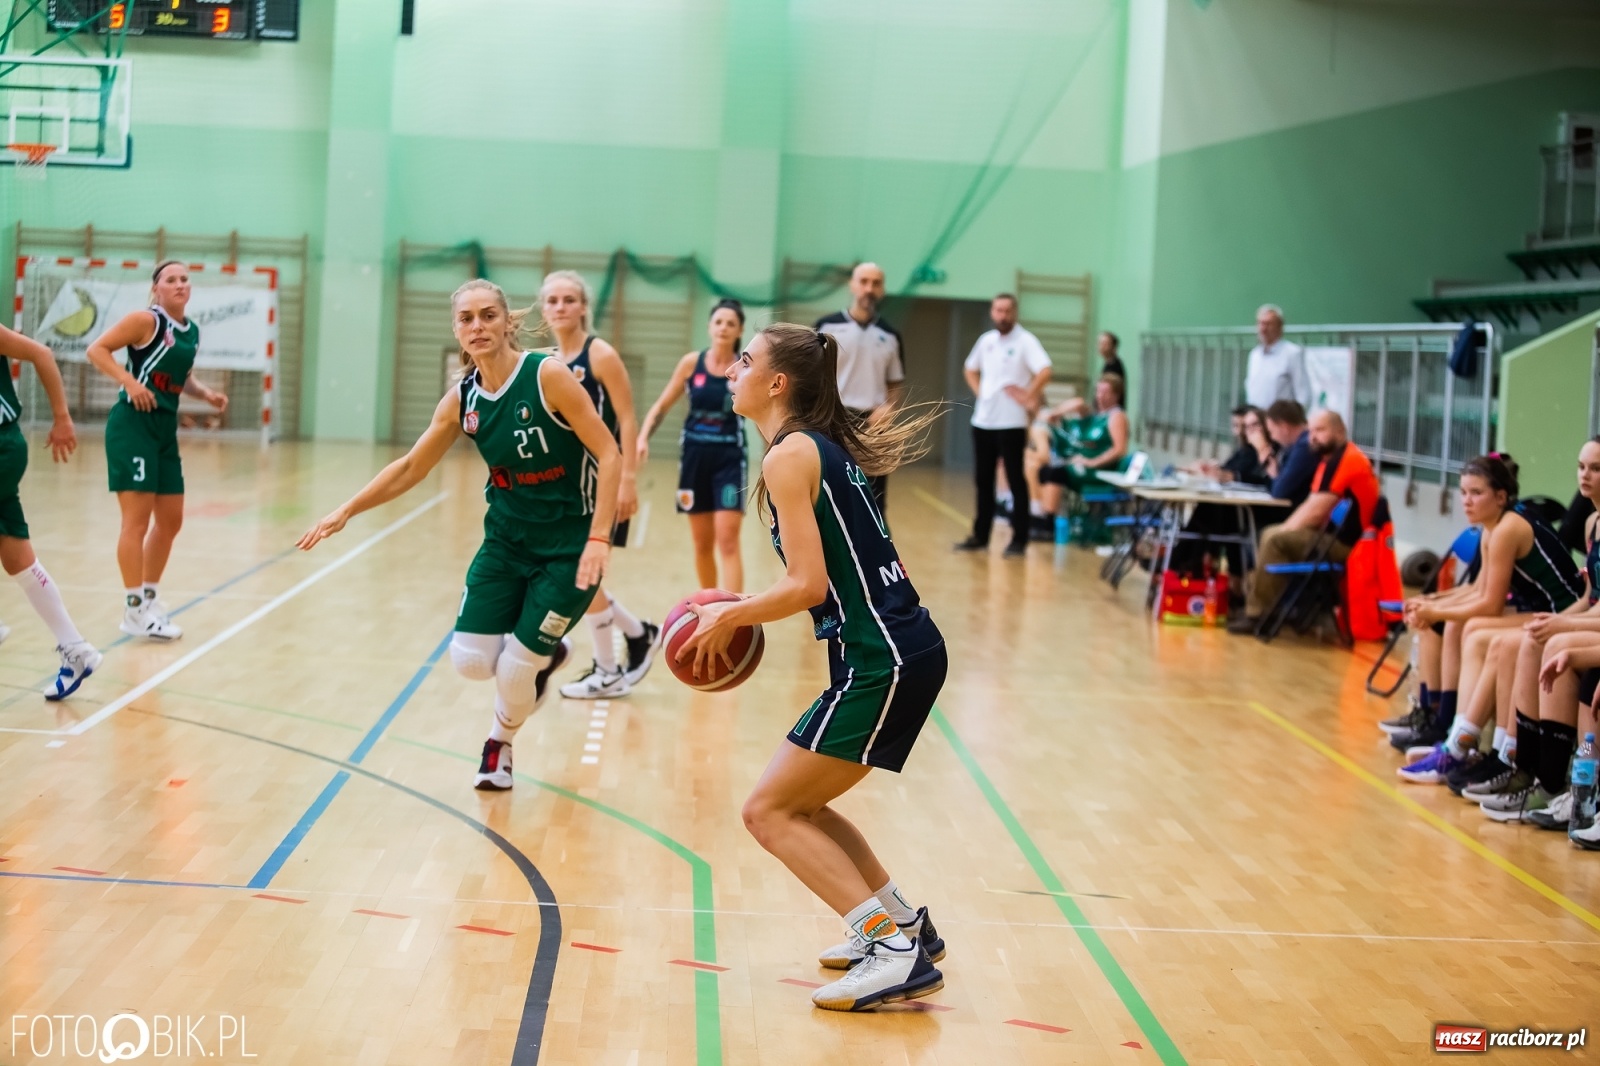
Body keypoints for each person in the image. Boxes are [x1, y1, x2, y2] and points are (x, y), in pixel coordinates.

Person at [679, 322, 948, 1013]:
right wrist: (737, 604)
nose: (730, 370)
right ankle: (903, 925)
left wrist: (732, 615)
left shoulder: (788, 456)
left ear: (777, 383)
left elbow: (806, 586)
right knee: (803, 804)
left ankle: (891, 951)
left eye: (745, 361)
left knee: (767, 812)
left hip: (880, 657)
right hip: (891, 650)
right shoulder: (814, 448)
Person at [297, 279, 621, 791]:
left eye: (488, 315)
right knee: (471, 662)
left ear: (507, 322)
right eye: (466, 318)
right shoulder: (463, 398)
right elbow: (411, 467)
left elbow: (609, 453)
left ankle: (499, 744)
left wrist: (600, 537)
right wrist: (348, 510)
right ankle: (548, 651)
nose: (478, 326)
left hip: (570, 546)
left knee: (515, 673)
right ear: (456, 330)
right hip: (506, 542)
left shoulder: (548, 376)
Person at [1392, 454, 1583, 785]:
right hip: (1536, 609)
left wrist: (1434, 611)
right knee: (1464, 626)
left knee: (1482, 634)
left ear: (1500, 496)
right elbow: (1477, 589)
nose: (1467, 500)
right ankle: (1453, 731)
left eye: (1476, 492)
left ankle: (1461, 743)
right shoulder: (1492, 526)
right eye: (1463, 492)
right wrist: (1432, 601)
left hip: (1558, 613)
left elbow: (1491, 604)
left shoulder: (1508, 527)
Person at [86, 260, 228, 642]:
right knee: (136, 522)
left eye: (184, 279)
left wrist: (205, 393)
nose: (180, 284)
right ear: (157, 289)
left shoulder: (191, 331)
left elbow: (182, 376)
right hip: (133, 426)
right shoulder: (145, 321)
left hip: (164, 431)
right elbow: (97, 350)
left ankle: (148, 599)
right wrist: (128, 382)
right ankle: (133, 610)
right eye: (171, 279)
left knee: (171, 520)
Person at [535, 271, 661, 700]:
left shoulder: (600, 354)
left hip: (601, 482)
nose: (560, 307)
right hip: (562, 485)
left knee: (580, 575)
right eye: (552, 300)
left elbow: (626, 418)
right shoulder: (547, 360)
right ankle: (638, 634)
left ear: (584, 306)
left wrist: (627, 479)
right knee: (578, 574)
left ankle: (609, 667)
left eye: (569, 299)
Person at [0, 324, 102, 699]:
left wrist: (62, 417)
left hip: (2, 444)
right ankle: (77, 650)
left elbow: (42, 354)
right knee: (18, 561)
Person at [1230, 410, 1377, 633]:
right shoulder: (1328, 461)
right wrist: (1283, 529)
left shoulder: (1347, 460)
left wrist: (1283, 531)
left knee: (1275, 540)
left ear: (1340, 432)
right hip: (1330, 537)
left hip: (1349, 546)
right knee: (1271, 534)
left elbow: (1316, 513)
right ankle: (1271, 608)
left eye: (1320, 430)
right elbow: (1310, 504)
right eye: (1311, 431)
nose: (1313, 437)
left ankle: (1259, 615)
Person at [638, 298, 748, 592]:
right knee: (702, 544)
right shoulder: (691, 364)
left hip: (729, 460)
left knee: (728, 540)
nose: (724, 327)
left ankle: (735, 613)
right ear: (709, 326)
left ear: (740, 331)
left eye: (731, 323)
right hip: (694, 459)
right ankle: (711, 603)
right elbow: (662, 404)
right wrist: (642, 436)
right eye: (719, 322)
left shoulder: (745, 368)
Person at [954, 293, 1052, 556]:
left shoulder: (1025, 341)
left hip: (1011, 423)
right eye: (998, 310)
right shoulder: (986, 341)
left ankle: (1019, 539)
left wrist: (1030, 395)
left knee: (1016, 481)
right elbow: (969, 368)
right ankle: (980, 536)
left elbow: (1045, 369)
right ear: (992, 312)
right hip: (984, 421)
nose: (1003, 315)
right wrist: (980, 391)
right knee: (983, 481)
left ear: (1015, 312)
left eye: (1007, 311)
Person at [815, 263, 904, 513]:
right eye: (864, 281)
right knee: (831, 493)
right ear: (852, 285)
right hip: (833, 418)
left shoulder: (890, 335)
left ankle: (876, 552)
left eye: (876, 283)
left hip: (873, 426)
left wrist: (888, 408)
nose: (869, 288)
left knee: (873, 499)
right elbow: (808, 374)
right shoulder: (826, 327)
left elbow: (895, 383)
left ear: (883, 290)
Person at [1244, 304, 1310, 412]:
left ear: (1280, 327)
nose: (1263, 329)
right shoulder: (1254, 355)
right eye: (1260, 323)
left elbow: (1302, 393)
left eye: (1268, 324)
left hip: (1280, 422)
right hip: (1256, 420)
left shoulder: (1292, 353)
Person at [1263, 400, 1317, 509]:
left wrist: (1274, 474)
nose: (1272, 437)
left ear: (1284, 427)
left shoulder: (1304, 447)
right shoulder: (1296, 447)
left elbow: (1279, 492)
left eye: (1272, 431)